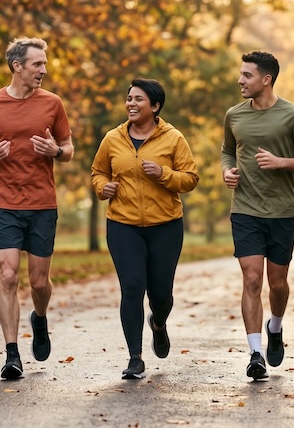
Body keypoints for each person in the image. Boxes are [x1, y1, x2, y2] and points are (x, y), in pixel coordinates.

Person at [0, 37, 74, 380]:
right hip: (3, 202)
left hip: (42, 203)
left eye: (44, 64)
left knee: (39, 282)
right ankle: (12, 354)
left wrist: (54, 151)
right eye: (37, 64)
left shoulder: (53, 103)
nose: (44, 70)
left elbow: (69, 148)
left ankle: (39, 319)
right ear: (17, 66)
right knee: (8, 274)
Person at [220, 51, 294, 380]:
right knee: (251, 279)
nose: (240, 80)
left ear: (266, 79)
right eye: (240, 74)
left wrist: (282, 163)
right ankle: (255, 353)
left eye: (247, 75)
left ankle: (275, 326)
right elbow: (227, 151)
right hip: (245, 210)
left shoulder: (293, 115)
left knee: (277, 284)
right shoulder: (234, 115)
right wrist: (227, 171)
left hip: (281, 212)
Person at [91, 78, 199, 380]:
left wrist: (163, 173)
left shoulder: (174, 138)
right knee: (132, 287)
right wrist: (103, 187)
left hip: (165, 225)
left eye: (138, 99)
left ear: (155, 106)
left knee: (161, 293)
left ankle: (159, 323)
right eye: (129, 99)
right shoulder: (112, 138)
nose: (131, 104)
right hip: (123, 225)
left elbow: (190, 178)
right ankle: (135, 357)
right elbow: (98, 171)